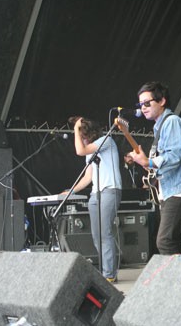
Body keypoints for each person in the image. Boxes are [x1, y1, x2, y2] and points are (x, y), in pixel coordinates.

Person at [129, 81, 181, 254]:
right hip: (171, 190)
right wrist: (147, 164)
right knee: (170, 240)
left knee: (165, 241)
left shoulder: (172, 122)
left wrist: (149, 162)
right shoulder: (160, 125)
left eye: (147, 103)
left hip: (180, 190)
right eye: (140, 104)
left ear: (161, 101)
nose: (142, 108)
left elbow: (175, 155)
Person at [64, 117, 122, 283]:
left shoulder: (106, 140)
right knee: (97, 235)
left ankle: (109, 274)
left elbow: (79, 151)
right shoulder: (91, 151)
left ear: (89, 133)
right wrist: (70, 191)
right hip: (96, 194)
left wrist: (75, 129)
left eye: (82, 135)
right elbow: (88, 177)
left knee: (105, 232)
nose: (80, 139)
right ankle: (106, 271)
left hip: (110, 190)